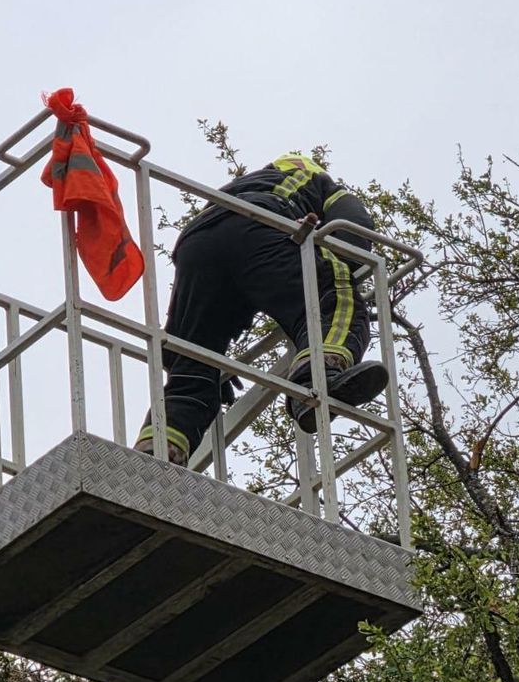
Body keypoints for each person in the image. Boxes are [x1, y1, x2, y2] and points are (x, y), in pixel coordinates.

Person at [135, 153, 387, 463]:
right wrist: (333, 259)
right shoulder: (316, 179)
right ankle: (318, 376)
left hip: (195, 244)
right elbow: (353, 224)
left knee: (194, 364)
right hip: (258, 223)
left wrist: (215, 367)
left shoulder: (237, 186)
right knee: (334, 298)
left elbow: (191, 325)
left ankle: (159, 447)